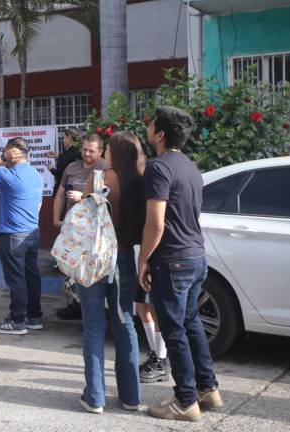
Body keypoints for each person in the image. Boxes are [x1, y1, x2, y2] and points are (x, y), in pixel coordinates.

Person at [139, 106, 221, 421]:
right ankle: (207, 389)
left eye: (150, 125)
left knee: (174, 331)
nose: (148, 129)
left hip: (172, 260)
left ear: (160, 134)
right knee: (191, 324)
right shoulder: (190, 166)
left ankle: (185, 401)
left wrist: (143, 260)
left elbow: (156, 224)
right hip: (196, 256)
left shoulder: (159, 168)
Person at [76, 132, 144, 414]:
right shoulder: (140, 182)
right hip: (125, 256)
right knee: (125, 322)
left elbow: (85, 221)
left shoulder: (100, 179)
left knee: (93, 326)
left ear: (113, 153)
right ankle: (131, 397)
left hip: (96, 258)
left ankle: (95, 397)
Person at [0, 137, 44, 335]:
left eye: (7, 151)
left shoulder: (9, 174)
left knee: (17, 279)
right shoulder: (36, 175)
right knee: (31, 276)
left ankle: (17, 320)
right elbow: (39, 205)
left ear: (12, 152)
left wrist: (1, 157)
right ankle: (33, 316)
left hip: (12, 234)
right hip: (32, 232)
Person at [52, 134, 107, 320]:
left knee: (88, 270)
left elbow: (106, 199)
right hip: (71, 230)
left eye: (91, 151)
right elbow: (60, 194)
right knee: (68, 268)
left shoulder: (105, 168)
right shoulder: (72, 167)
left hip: (93, 232)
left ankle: (90, 307)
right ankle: (74, 304)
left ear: (100, 151)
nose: (86, 154)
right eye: (84, 149)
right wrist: (56, 219)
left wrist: (83, 196)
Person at [50, 128, 83, 194]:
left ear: (69, 137)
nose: (63, 140)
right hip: (78, 189)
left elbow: (61, 175)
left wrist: (51, 170)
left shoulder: (67, 154)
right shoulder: (80, 152)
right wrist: (58, 156)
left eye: (64, 137)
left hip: (64, 191)